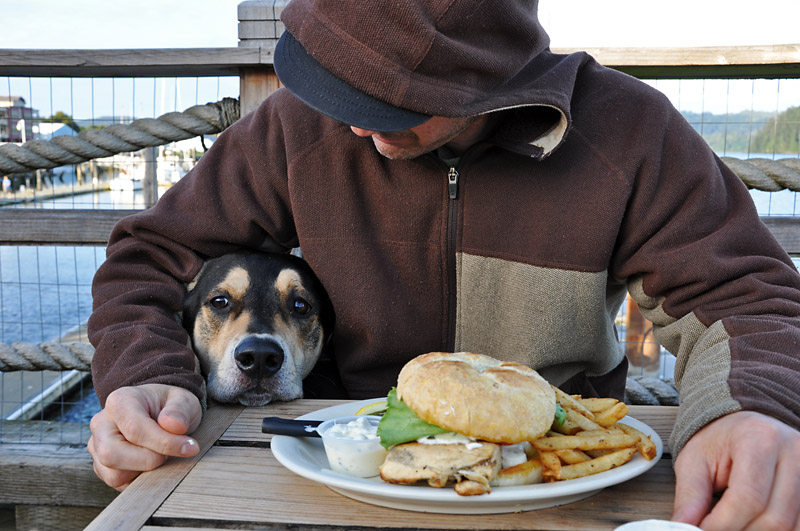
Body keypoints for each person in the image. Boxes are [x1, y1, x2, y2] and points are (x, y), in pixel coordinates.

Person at [87, 1, 800, 529]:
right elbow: (148, 259)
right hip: (337, 473)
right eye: (338, 81)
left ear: (487, 79)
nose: (354, 119)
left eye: (389, 99)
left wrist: (750, 407)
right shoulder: (300, 126)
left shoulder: (631, 134)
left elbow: (747, 298)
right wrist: (148, 375)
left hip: (559, 485)